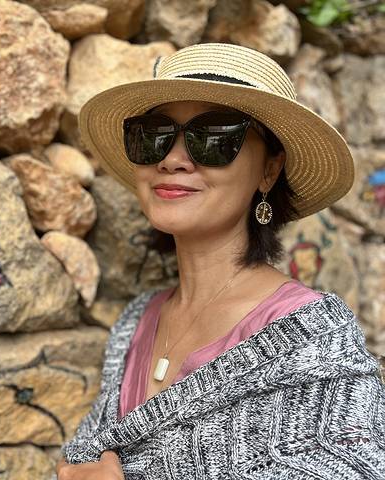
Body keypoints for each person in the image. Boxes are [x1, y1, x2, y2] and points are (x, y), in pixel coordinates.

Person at [54, 43, 385, 479]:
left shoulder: (316, 340)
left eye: (214, 138)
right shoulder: (134, 323)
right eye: (153, 135)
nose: (172, 159)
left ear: (269, 170)